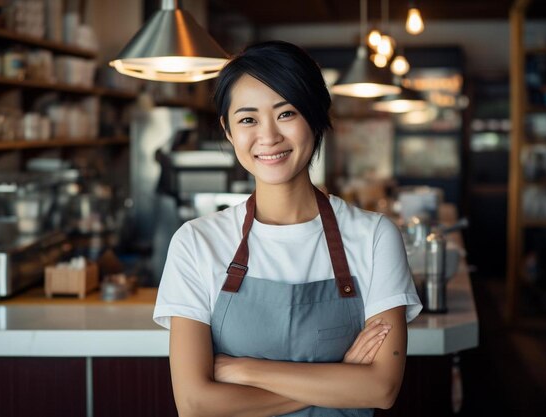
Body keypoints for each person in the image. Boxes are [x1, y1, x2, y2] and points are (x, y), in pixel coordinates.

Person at [153, 40, 422, 417]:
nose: (268, 137)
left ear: (315, 116)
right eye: (248, 119)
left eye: (286, 113)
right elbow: (196, 404)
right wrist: (342, 380)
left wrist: (242, 369)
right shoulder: (197, 242)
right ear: (228, 131)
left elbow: (381, 388)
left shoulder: (374, 236)